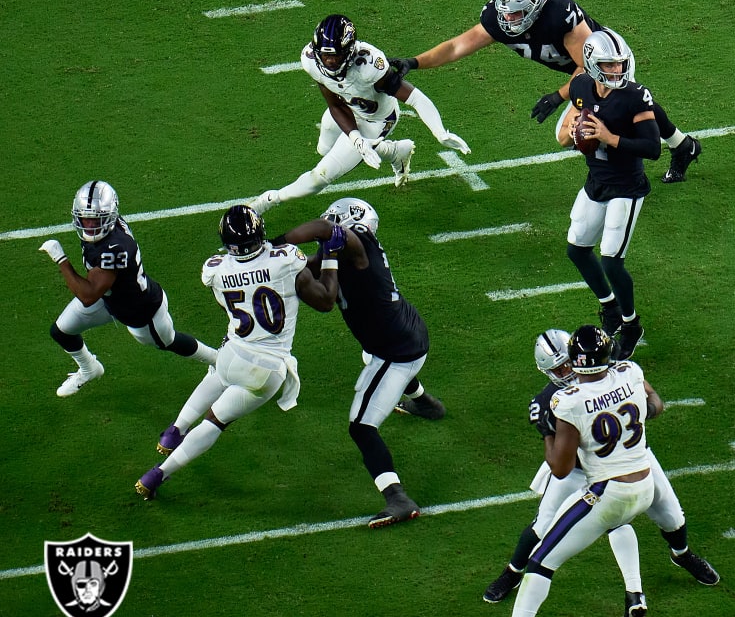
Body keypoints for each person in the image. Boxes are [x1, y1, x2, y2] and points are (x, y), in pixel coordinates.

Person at [483, 329, 719, 617]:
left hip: (628, 460)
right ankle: (513, 572)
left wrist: (647, 409)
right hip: (580, 469)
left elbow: (652, 398)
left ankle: (681, 555)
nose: (566, 371)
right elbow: (561, 465)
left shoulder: (616, 373)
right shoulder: (553, 400)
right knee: (543, 525)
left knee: (672, 516)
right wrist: (547, 430)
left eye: (567, 363)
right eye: (558, 368)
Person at [391, 0, 702, 183]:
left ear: (534, 8)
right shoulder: (499, 21)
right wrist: (414, 62)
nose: (507, 20)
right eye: (505, 13)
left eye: (515, 14)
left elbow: (586, 69)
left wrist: (558, 96)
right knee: (634, 104)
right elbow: (457, 46)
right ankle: (682, 145)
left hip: (607, 65)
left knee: (571, 133)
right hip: (585, 71)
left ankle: (621, 178)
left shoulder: (559, 16)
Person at [135, 205, 340, 499]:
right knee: (216, 421)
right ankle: (157, 474)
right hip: (267, 367)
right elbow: (325, 300)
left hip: (232, 352)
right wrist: (331, 257)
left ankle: (174, 430)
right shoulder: (286, 261)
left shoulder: (215, 268)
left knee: (217, 376)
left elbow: (233, 299)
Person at [276, 198, 445, 528]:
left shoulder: (357, 241)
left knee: (361, 427)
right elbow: (308, 266)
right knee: (372, 357)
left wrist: (277, 243)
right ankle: (426, 404)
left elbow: (326, 231)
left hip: (396, 351)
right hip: (407, 332)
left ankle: (396, 496)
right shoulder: (341, 251)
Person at [497, 326, 666, 617]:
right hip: (644, 483)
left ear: (573, 362)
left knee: (540, 564)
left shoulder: (568, 400)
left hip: (608, 491)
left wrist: (547, 431)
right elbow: (656, 405)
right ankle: (635, 595)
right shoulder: (630, 372)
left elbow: (560, 468)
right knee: (619, 523)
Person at [250, 14, 469, 215]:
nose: (330, 62)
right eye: (325, 56)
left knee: (321, 176)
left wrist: (440, 132)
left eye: (335, 56)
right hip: (347, 109)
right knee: (323, 149)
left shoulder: (370, 66)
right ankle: (393, 152)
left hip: (377, 119)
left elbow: (415, 98)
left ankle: (267, 201)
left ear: (349, 51)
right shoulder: (311, 61)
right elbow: (335, 104)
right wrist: (356, 139)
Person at [38, 180, 218, 397]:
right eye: (85, 219)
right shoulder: (106, 232)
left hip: (140, 310)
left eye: (96, 220)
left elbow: (87, 295)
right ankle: (89, 369)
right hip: (110, 299)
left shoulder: (116, 247)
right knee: (61, 331)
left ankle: (218, 360)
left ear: (110, 216)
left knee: (169, 341)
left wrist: (61, 260)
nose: (89, 226)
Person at [553, 29, 658, 361]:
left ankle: (630, 325)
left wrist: (611, 138)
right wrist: (574, 133)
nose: (616, 71)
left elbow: (653, 148)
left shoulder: (635, 96)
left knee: (612, 261)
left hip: (627, 186)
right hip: (597, 180)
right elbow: (566, 133)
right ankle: (609, 308)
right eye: (609, 66)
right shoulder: (582, 85)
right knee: (577, 250)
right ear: (591, 65)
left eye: (619, 64)